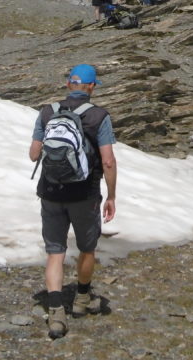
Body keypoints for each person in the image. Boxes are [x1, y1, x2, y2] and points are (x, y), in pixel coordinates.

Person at [29, 64, 117, 339]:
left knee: (55, 251)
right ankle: (81, 299)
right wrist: (111, 195)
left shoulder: (47, 112)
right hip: (85, 195)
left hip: (51, 193)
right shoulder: (98, 116)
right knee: (87, 248)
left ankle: (55, 312)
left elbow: (33, 155)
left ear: (69, 84)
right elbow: (108, 161)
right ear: (92, 87)